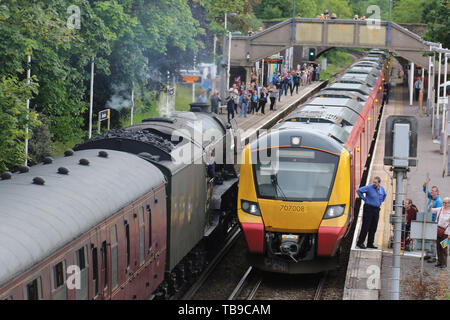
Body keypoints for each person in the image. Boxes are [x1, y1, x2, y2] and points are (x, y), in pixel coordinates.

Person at [356, 177, 387, 249]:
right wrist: (364, 199)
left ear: (379, 183)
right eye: (373, 182)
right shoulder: (369, 187)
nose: (374, 183)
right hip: (368, 208)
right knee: (365, 226)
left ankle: (370, 243)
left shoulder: (382, 188)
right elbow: (359, 190)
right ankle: (360, 242)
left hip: (376, 210)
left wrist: (380, 201)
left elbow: (385, 195)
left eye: (375, 182)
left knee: (373, 227)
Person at [423, 179, 443, 263]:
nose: (431, 192)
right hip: (428, 221)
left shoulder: (438, 201)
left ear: (437, 192)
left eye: (433, 191)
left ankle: (433, 256)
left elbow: (437, 213)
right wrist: (425, 184)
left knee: (432, 240)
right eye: (431, 191)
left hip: (433, 222)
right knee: (427, 238)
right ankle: (428, 254)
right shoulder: (431, 197)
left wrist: (433, 222)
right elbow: (425, 190)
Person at [430, 197, 450, 268]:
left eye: (445, 203)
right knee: (438, 247)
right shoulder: (440, 209)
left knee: (444, 248)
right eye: (443, 202)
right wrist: (430, 205)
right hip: (438, 231)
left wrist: (449, 235)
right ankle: (439, 262)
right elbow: (431, 210)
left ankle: (444, 263)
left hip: (446, 233)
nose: (444, 204)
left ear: (449, 204)